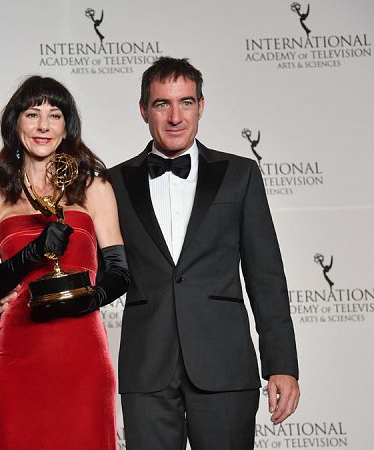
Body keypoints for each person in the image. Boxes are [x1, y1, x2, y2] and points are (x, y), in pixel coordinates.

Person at [107, 56, 300, 450]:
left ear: (201, 106)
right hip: (147, 367)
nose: (175, 116)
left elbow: (265, 275)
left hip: (224, 363)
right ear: (143, 110)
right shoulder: (112, 183)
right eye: (162, 104)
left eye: (186, 102)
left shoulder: (240, 174)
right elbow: (96, 269)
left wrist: (281, 364)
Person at [0, 76, 130, 449]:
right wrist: (33, 253)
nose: (43, 125)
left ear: (66, 126)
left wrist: (91, 298)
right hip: (18, 355)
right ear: (15, 124)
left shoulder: (95, 189)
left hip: (82, 354)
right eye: (32, 114)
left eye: (54, 115)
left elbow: (120, 271)